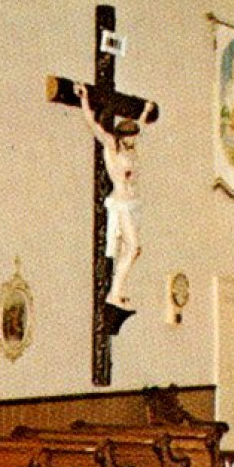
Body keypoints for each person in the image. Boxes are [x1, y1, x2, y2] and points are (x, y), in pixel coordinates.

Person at [77, 84, 144, 307]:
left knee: (131, 249)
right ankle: (113, 294)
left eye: (135, 137)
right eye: (130, 137)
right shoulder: (112, 147)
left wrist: (144, 112)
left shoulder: (130, 150)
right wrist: (85, 100)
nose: (133, 141)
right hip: (121, 203)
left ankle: (118, 291)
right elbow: (93, 125)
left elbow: (140, 125)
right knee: (133, 248)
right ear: (122, 136)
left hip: (133, 202)